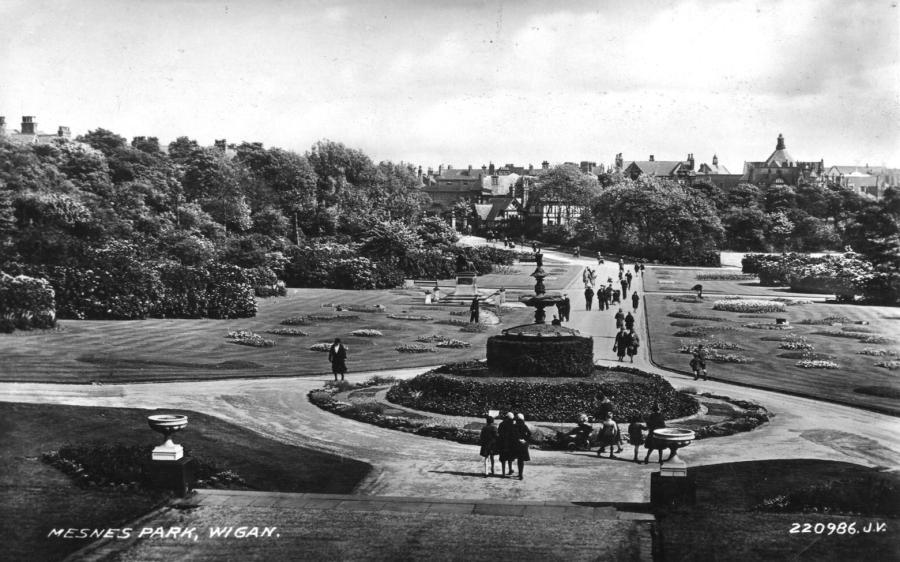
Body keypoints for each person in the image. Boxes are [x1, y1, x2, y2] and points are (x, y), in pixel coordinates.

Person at [497, 412, 517, 476]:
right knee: (510, 458)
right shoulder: (513, 425)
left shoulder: (501, 424)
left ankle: (503, 473)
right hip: (511, 444)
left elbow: (499, 433)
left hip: (503, 444)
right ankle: (510, 469)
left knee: (503, 459)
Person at [513, 413, 531, 480]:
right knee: (521, 460)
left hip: (517, 444)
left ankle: (520, 474)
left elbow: (514, 434)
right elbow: (529, 433)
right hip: (523, 445)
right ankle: (521, 474)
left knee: (519, 460)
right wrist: (525, 439)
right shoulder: (524, 425)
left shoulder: (515, 426)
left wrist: (518, 439)